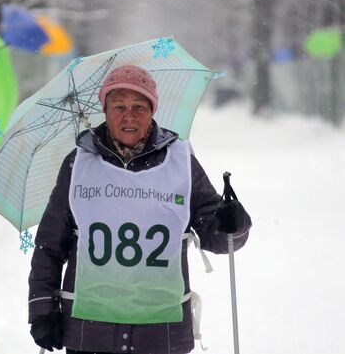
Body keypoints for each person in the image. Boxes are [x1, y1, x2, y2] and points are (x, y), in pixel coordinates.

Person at [28, 65, 252, 354]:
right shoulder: (78, 164)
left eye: (139, 106)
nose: (128, 115)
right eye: (118, 106)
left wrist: (234, 222)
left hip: (161, 335)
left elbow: (218, 237)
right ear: (105, 111)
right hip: (89, 333)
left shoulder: (180, 163)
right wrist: (42, 309)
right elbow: (49, 245)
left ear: (153, 111)